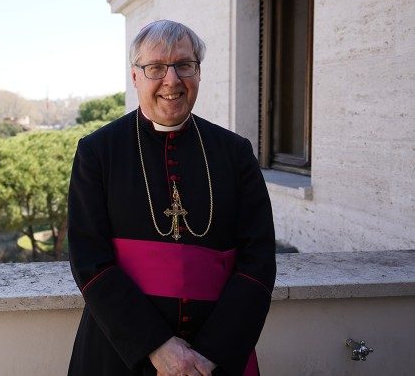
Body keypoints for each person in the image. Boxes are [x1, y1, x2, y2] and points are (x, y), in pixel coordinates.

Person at [67, 20, 276, 376]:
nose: (172, 79)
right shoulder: (98, 152)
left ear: (198, 73)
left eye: (184, 65)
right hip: (122, 351)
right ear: (135, 77)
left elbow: (258, 261)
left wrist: (212, 354)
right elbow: (89, 262)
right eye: (156, 68)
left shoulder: (235, 153)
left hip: (217, 356)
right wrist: (156, 346)